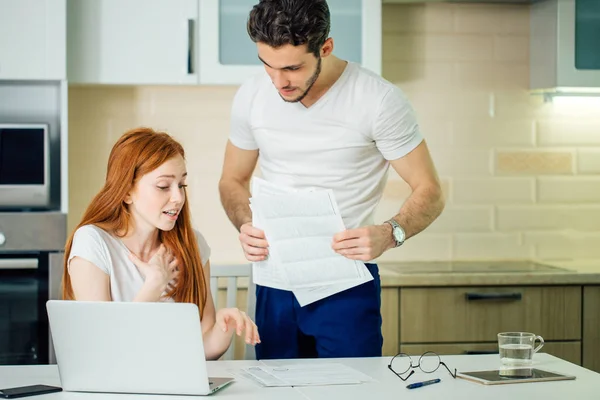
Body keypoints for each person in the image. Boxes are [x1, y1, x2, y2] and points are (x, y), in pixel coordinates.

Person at [218, 0, 445, 360]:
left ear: (325, 47)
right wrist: (246, 224)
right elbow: (232, 179)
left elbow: (431, 191)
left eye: (292, 68)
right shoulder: (251, 95)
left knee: (354, 391)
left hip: (346, 285)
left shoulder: (378, 100)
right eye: (268, 66)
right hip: (274, 283)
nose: (278, 82)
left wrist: (390, 233)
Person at [62, 127, 260, 361]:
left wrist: (224, 327)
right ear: (126, 192)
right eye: (164, 186)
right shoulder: (92, 243)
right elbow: (104, 351)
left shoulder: (193, 244)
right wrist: (154, 285)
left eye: (182, 185)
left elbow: (203, 347)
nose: (178, 198)